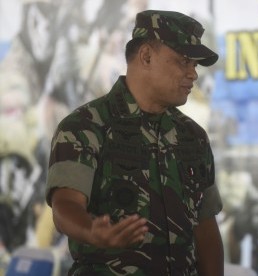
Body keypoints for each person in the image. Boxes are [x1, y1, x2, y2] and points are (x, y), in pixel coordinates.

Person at [45, 10, 224, 275]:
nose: (193, 74)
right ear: (146, 56)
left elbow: (206, 229)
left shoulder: (192, 136)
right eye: (183, 61)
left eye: (195, 65)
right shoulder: (86, 126)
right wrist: (91, 230)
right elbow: (65, 206)